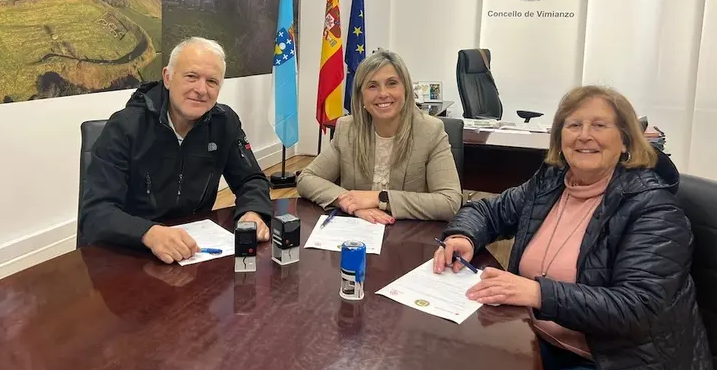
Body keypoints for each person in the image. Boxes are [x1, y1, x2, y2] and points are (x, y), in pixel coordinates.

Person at [434, 85, 714, 370]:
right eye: (574, 125)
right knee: (455, 359)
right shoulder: (551, 181)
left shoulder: (652, 207)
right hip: (535, 336)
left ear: (625, 140)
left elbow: (638, 308)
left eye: (599, 125)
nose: (584, 135)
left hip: (613, 361)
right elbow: (489, 211)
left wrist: (538, 293)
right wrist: (462, 236)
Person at [79, 37, 273, 264]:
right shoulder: (124, 127)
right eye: (191, 76)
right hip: (133, 255)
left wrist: (253, 211)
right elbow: (95, 213)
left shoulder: (224, 123)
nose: (201, 90)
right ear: (167, 77)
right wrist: (148, 233)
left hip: (195, 252)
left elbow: (250, 179)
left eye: (212, 81)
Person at [297, 49, 462, 223]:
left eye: (392, 83)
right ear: (361, 96)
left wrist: (380, 199)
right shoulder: (348, 129)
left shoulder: (430, 131)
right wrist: (350, 203)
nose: (383, 93)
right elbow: (306, 178)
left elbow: (449, 202)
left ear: (405, 89)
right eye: (372, 86)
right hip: (358, 233)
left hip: (409, 236)